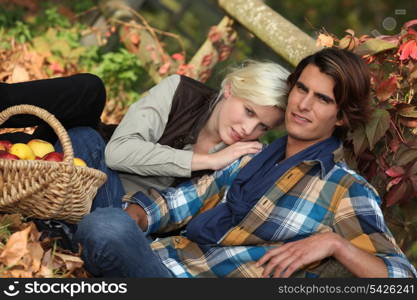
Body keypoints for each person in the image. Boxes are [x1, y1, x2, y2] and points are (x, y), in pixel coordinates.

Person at [74, 48, 417, 278]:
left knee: (104, 228)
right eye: (302, 89)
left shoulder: (344, 187)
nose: (303, 105)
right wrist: (136, 214)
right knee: (107, 219)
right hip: (164, 258)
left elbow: (401, 278)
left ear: (341, 116)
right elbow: (181, 202)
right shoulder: (252, 158)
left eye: (323, 99)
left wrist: (336, 244)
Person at [0, 61, 289, 212]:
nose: (249, 131)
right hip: (90, 155)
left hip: (110, 203)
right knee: (90, 90)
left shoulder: (245, 155)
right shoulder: (181, 93)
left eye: (264, 126)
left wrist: (218, 163)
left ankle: (13, 164)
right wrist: (206, 160)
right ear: (230, 90)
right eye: (249, 111)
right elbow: (117, 153)